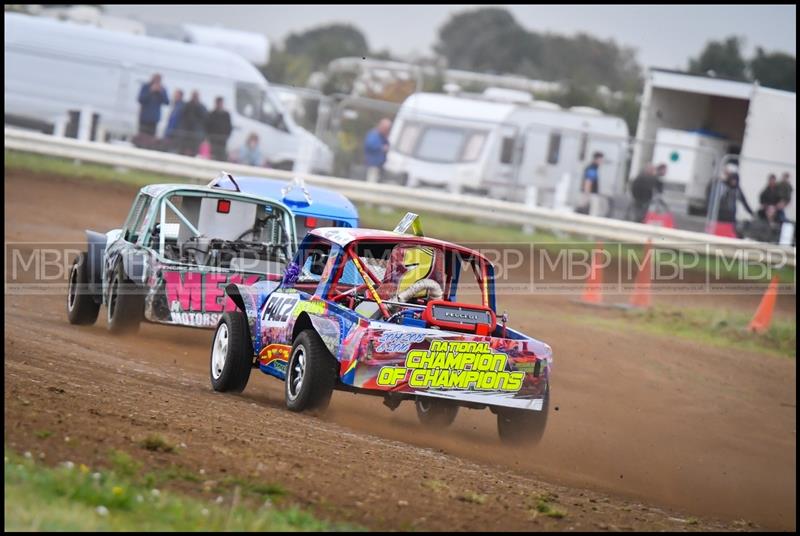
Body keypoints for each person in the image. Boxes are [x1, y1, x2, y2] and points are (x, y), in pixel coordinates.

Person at [178, 91, 207, 157]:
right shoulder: (186, 105)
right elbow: (181, 116)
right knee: (183, 151)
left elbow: (204, 118)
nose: (194, 98)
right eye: (194, 96)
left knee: (193, 152)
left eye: (196, 96)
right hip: (186, 132)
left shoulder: (201, 107)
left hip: (196, 135)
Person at [364, 118, 392, 183]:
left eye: (388, 129)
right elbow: (370, 145)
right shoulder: (373, 134)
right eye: (385, 128)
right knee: (371, 181)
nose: (387, 130)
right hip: (372, 164)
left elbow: (387, 145)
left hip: (380, 165)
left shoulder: (383, 137)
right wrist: (381, 148)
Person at [206, 96, 233, 162]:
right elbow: (207, 126)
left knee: (222, 157)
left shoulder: (226, 115)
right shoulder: (211, 114)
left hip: (223, 140)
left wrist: (226, 136)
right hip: (213, 140)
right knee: (213, 156)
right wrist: (210, 137)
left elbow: (229, 127)